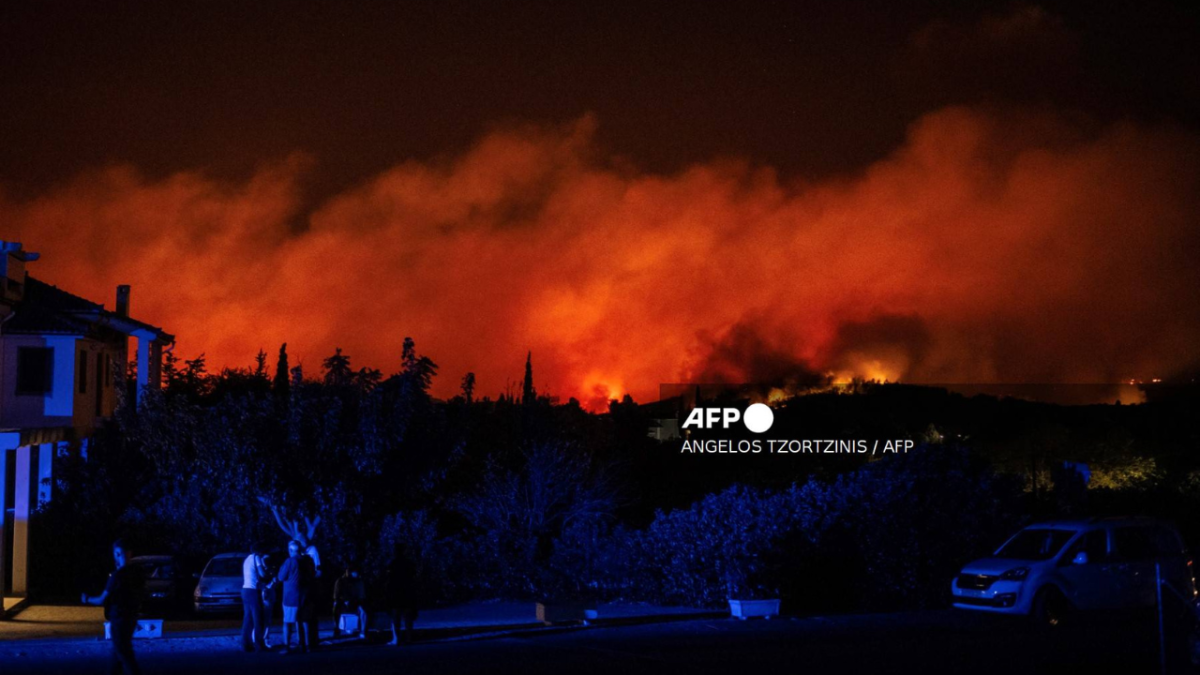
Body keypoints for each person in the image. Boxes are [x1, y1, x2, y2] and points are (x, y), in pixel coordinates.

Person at [82, 539, 145, 675]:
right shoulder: (137, 574)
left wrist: (87, 598)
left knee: (125, 656)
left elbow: (101, 600)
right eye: (115, 554)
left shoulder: (117, 577)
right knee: (117, 656)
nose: (117, 557)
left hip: (119, 620)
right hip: (130, 619)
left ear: (128, 554)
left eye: (119, 553)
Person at [275, 539, 315, 654]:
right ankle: (307, 646)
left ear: (290, 550)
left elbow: (281, 577)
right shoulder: (308, 561)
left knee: (287, 622)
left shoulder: (290, 561)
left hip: (291, 596)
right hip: (305, 595)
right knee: (305, 621)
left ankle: (286, 647)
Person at [385, 546, 420, 646]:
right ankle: (408, 638)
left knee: (396, 617)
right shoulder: (409, 564)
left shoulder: (392, 564)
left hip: (396, 593)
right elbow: (414, 578)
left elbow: (388, 580)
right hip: (407, 592)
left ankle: (396, 639)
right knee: (407, 616)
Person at [240, 544, 269, 652]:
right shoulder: (256, 558)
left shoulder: (247, 559)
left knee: (248, 619)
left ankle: (245, 644)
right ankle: (259, 645)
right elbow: (262, 573)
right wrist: (268, 572)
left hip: (245, 590)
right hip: (253, 591)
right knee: (258, 618)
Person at [332, 564, 367, 639]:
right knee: (336, 607)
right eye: (353, 572)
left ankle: (362, 631)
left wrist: (355, 602)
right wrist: (344, 600)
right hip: (343, 602)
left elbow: (361, 596)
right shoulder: (340, 581)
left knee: (363, 611)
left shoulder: (359, 582)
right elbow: (336, 596)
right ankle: (336, 629)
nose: (355, 574)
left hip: (355, 602)